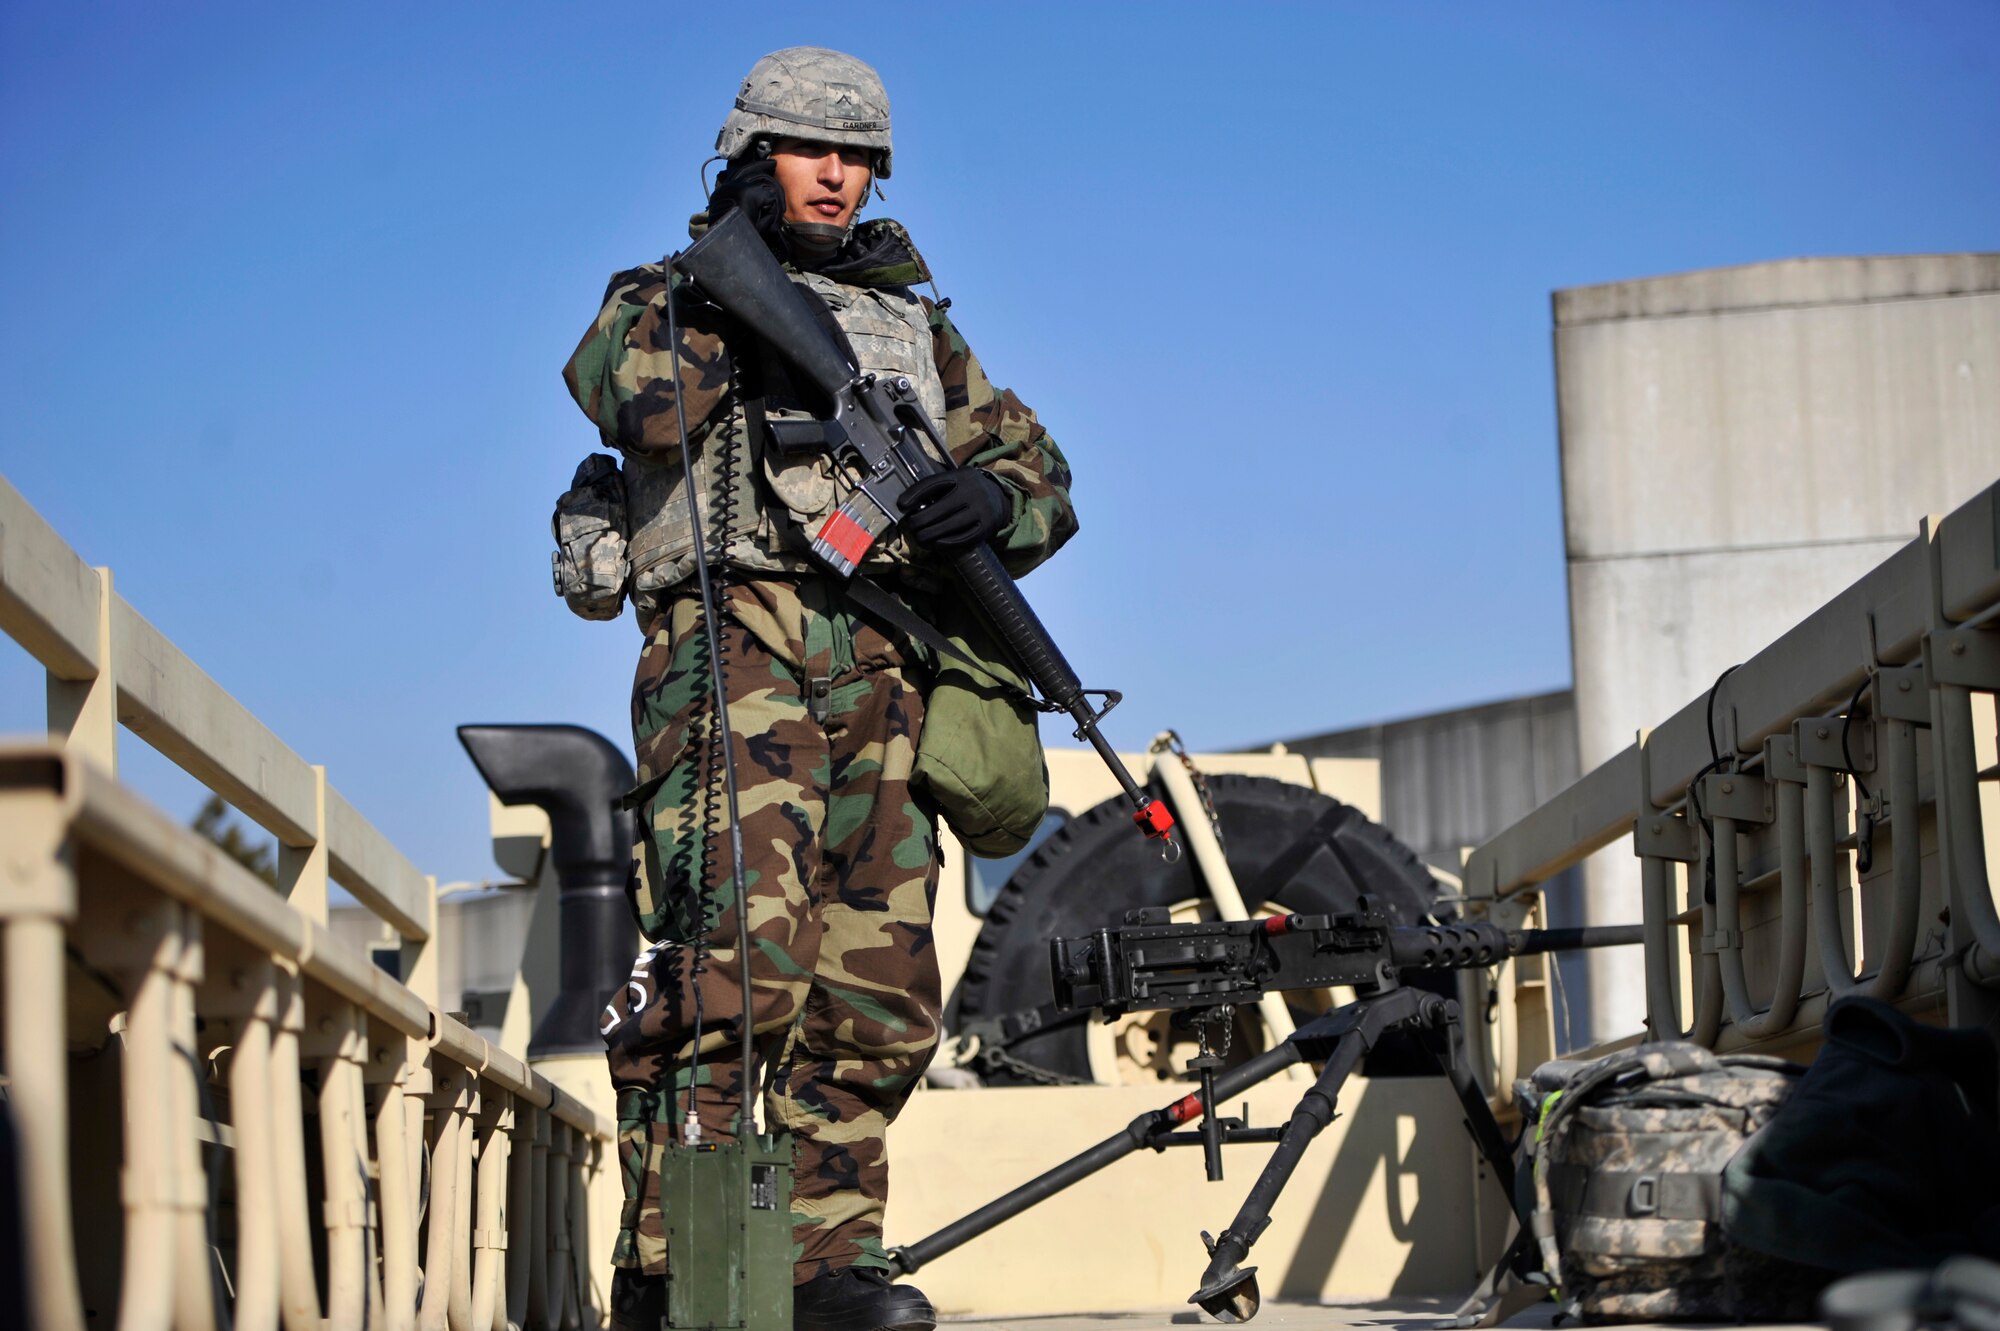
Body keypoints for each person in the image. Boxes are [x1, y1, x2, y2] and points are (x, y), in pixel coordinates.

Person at [561, 46, 1077, 1331]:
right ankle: (672, 1268)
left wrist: (995, 497)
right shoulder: (667, 293)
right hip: (738, 650)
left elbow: (1041, 466)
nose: (837, 176)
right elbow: (637, 401)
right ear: (750, 156)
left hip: (886, 663)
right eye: (809, 151)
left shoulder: (913, 322)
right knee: (734, 965)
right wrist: (735, 298)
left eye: (856, 158)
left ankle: (821, 1261)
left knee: (878, 987)